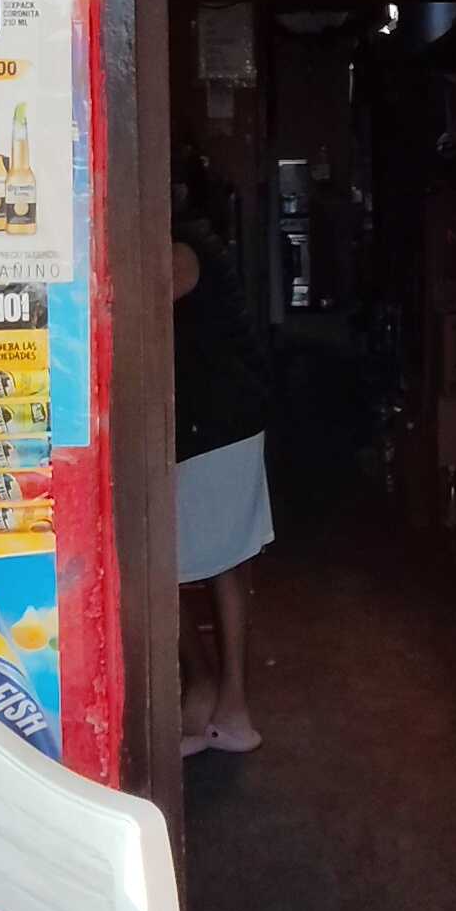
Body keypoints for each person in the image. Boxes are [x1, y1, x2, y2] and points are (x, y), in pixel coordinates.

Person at [173, 172, 271, 756]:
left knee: (206, 563)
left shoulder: (179, 252)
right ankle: (213, 692)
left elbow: (126, 305)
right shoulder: (196, 244)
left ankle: (225, 701)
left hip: (215, 425)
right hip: (215, 423)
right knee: (211, 563)